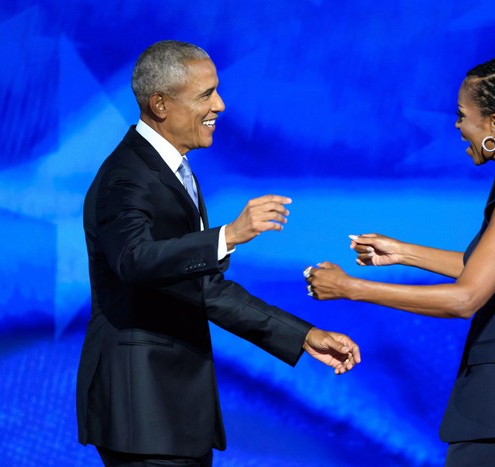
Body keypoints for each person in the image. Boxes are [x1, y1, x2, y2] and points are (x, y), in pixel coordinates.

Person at [305, 58, 495, 466]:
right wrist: (403, 253)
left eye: (462, 116)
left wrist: (349, 289)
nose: (457, 126)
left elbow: (466, 298)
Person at [76, 40, 360, 467]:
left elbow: (205, 289)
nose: (221, 105)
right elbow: (132, 261)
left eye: (217, 90)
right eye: (206, 94)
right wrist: (227, 234)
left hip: (172, 412)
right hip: (142, 411)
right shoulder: (127, 176)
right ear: (160, 104)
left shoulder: (172, 172)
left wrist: (301, 336)